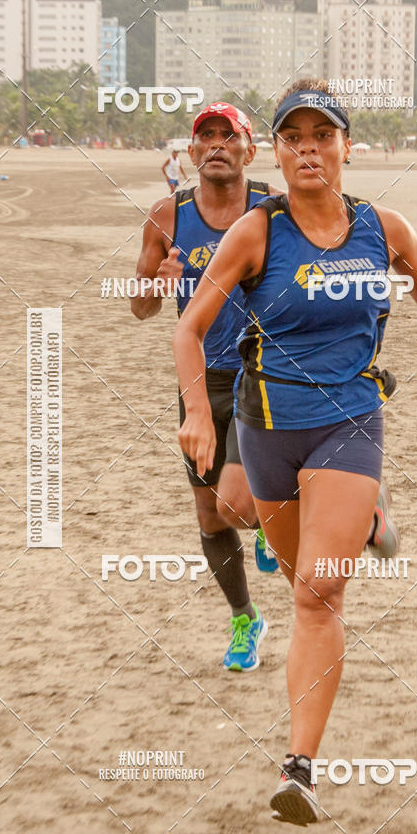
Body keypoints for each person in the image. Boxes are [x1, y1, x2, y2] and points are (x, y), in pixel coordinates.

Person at [173, 79, 417, 825]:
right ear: (278, 150)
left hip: (350, 422)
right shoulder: (258, 232)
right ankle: (367, 518)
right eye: (293, 138)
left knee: (317, 595)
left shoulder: (382, 227)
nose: (308, 150)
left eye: (321, 136)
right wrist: (199, 412)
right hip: (268, 431)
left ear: (346, 148)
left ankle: (298, 769)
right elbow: (188, 328)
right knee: (290, 565)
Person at [133, 102, 281, 672]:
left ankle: (270, 514)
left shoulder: (276, 208)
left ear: (250, 150)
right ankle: (246, 617)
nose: (217, 144)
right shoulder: (166, 216)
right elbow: (140, 308)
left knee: (238, 505)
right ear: (191, 155)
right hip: (199, 378)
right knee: (210, 516)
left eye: (229, 136)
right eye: (206, 137)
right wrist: (156, 284)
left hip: (266, 372)